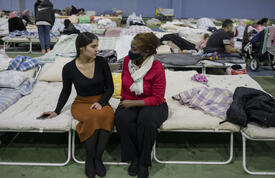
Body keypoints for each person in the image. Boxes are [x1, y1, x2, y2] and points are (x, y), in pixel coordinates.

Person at [40, 32, 114, 178]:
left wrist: (101, 102)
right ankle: (89, 158)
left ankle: (98, 158)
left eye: (97, 46)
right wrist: (57, 110)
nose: (97, 49)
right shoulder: (68, 68)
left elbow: (110, 88)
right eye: (93, 46)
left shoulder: (101, 62)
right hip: (82, 102)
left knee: (106, 115)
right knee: (92, 118)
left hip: (100, 100)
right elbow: (66, 91)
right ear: (81, 48)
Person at [114, 32, 168, 178]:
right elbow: (125, 89)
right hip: (130, 101)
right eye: (131, 47)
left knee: (146, 120)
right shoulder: (127, 61)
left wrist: (133, 103)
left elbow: (157, 98)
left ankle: (144, 162)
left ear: (146, 52)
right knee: (122, 118)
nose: (131, 52)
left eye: (135, 49)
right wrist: (129, 103)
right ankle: (135, 158)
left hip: (154, 104)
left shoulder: (157, 67)